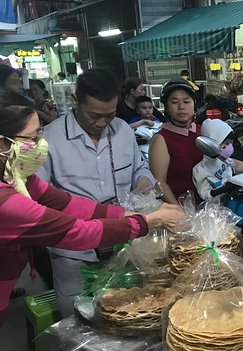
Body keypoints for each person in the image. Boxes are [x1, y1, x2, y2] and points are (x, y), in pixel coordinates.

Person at [0, 89, 183, 326]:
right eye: (31, 138)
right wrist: (148, 222)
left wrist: (128, 214)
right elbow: (77, 232)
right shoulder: (6, 201)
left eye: (39, 136)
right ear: (3, 143)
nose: (38, 145)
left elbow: (66, 202)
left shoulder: (17, 176)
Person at [37, 68, 156, 313]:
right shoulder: (49, 139)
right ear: (74, 101)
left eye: (109, 115)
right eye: (94, 115)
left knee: (125, 311)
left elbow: (140, 167)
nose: (102, 123)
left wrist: (143, 180)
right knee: (77, 317)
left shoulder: (123, 130)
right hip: (74, 252)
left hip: (123, 244)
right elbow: (38, 199)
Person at [148, 79, 202, 204]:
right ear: (166, 107)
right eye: (174, 102)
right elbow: (159, 182)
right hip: (178, 209)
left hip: (209, 206)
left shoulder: (203, 130)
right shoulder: (161, 139)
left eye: (186, 101)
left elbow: (223, 160)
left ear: (194, 104)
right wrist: (179, 212)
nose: (181, 107)